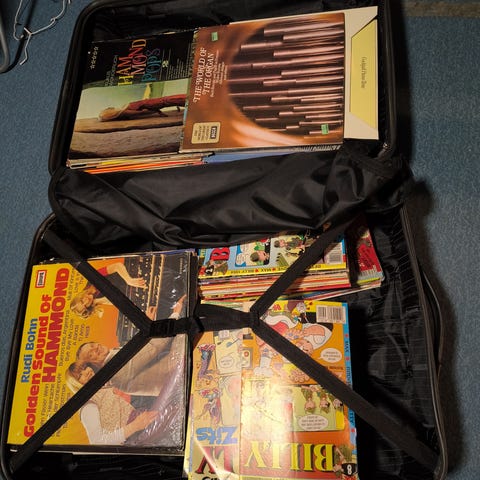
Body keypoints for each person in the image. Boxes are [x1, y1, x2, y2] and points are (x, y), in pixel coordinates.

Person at [65, 361, 159, 446]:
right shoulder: (87, 406)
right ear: (76, 384)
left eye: (85, 367)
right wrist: (135, 426)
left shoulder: (102, 388)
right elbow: (97, 442)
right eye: (80, 375)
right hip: (135, 435)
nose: (86, 372)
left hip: (141, 418)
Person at [70, 262, 149, 319]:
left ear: (79, 296)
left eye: (82, 301)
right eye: (86, 306)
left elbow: (117, 266)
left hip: (132, 273)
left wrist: (129, 280)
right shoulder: (98, 300)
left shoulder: (91, 278)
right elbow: (117, 299)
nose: (86, 301)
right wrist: (96, 301)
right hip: (136, 286)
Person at [98, 94, 187, 122]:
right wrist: (157, 111)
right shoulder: (125, 111)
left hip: (158, 101)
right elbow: (142, 112)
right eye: (107, 109)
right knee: (180, 99)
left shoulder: (123, 108)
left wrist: (157, 111)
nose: (108, 108)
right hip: (159, 102)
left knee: (178, 99)